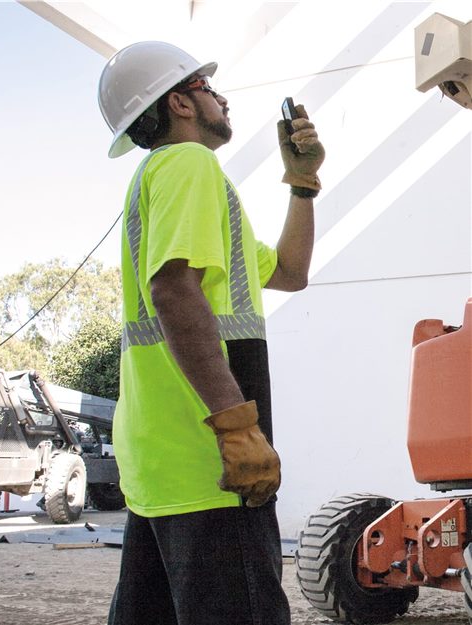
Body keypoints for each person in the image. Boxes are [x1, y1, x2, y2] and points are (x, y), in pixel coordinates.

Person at [98, 41, 325, 625]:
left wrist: (302, 183)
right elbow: (174, 291)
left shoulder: (168, 180)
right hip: (210, 459)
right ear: (180, 102)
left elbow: (290, 272)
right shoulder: (189, 165)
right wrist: (237, 426)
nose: (222, 99)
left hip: (161, 462)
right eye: (208, 88)